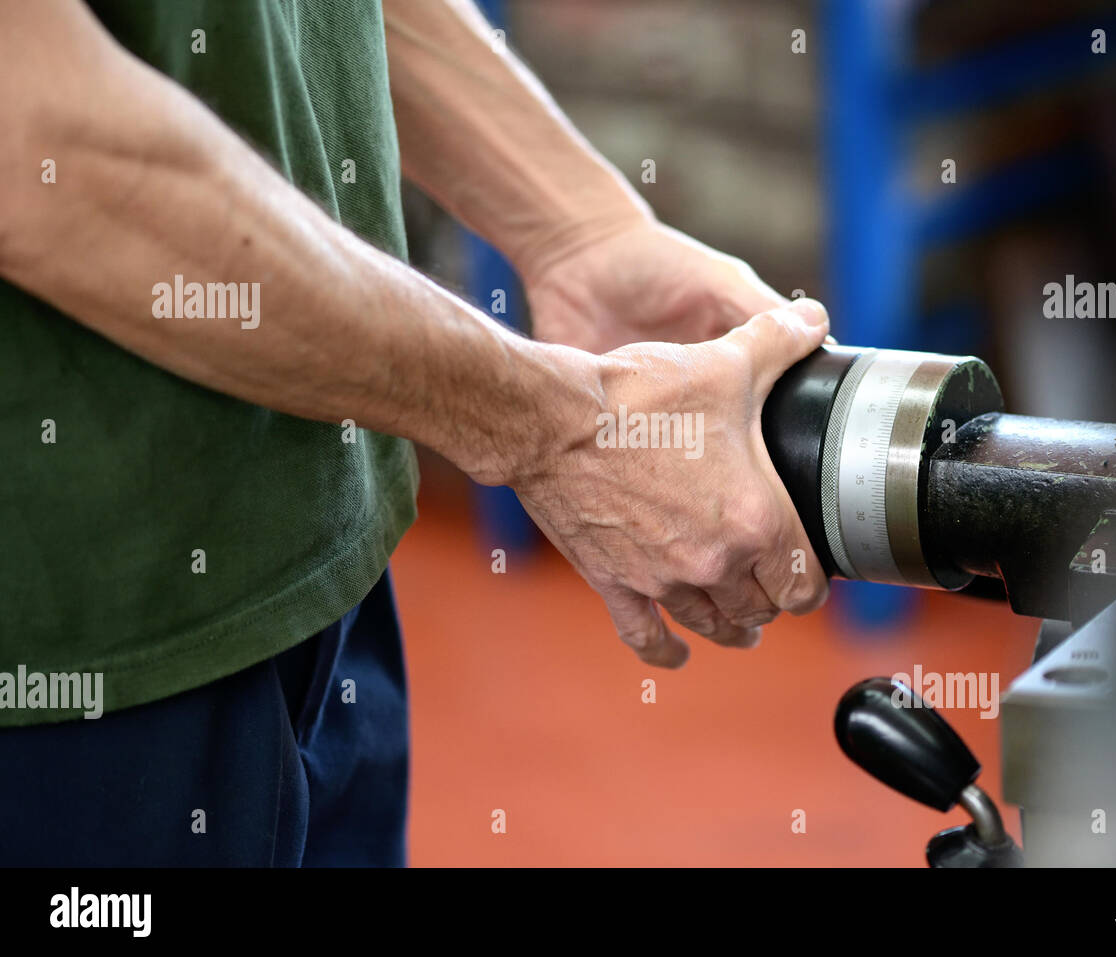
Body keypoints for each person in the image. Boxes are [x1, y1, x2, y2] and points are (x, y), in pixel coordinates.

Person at [0, 0, 830, 865]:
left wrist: (580, 227)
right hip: (81, 673)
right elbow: (40, 138)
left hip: (323, 568)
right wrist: (552, 427)